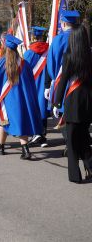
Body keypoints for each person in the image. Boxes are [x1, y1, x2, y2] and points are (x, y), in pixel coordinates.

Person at [0, 34, 42, 160]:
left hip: (7, 99)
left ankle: (0, 147)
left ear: (4, 47)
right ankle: (25, 150)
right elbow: (31, 82)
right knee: (21, 122)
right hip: (23, 98)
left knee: (3, 121)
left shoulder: (0, 64)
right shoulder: (25, 64)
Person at [53, 25, 92, 183]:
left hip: (73, 101)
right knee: (84, 137)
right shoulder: (90, 55)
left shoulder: (68, 56)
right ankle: (90, 167)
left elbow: (63, 81)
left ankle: (75, 175)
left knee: (72, 140)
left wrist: (57, 102)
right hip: (88, 101)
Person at [45, 11, 80, 156]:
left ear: (64, 23)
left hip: (63, 81)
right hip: (80, 81)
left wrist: (51, 81)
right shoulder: (81, 37)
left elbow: (51, 63)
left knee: (61, 113)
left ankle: (70, 143)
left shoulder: (58, 40)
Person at [24, 26, 49, 147]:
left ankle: (35, 135)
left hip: (32, 85)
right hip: (45, 85)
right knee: (43, 109)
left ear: (33, 37)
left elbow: (23, 70)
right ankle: (43, 137)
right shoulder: (48, 51)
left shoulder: (28, 53)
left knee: (33, 110)